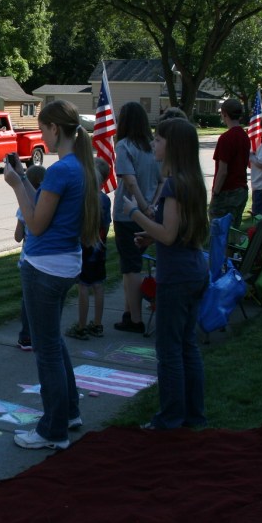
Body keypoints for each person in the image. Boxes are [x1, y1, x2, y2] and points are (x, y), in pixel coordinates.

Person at [4, 99, 100, 450]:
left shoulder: (61, 170)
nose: (40, 134)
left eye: (43, 128)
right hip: (64, 264)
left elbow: (36, 224)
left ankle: (52, 429)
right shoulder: (78, 166)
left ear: (55, 129)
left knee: (45, 351)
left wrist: (15, 184)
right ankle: (69, 412)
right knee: (53, 342)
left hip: (44, 267)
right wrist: (24, 180)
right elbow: (42, 207)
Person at [123, 118, 209, 430]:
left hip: (177, 277)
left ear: (172, 146)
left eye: (158, 140)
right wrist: (152, 236)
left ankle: (170, 417)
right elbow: (179, 230)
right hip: (195, 269)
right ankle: (193, 416)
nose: (154, 145)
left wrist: (134, 213)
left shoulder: (174, 184)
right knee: (187, 345)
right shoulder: (192, 179)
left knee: (169, 351)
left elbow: (170, 235)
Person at [112, 101, 161, 334]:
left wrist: (141, 206)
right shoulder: (152, 147)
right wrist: (152, 206)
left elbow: (129, 181)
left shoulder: (124, 146)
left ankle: (135, 318)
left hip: (128, 214)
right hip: (150, 211)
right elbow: (162, 180)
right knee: (132, 264)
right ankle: (127, 311)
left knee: (131, 267)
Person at [67, 159, 112, 340]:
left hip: (83, 247)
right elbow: (107, 225)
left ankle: (82, 325)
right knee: (98, 285)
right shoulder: (105, 200)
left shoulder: (82, 199)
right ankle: (98, 323)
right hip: (99, 247)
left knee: (83, 286)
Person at [14, 164, 48, 350]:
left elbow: (18, 237)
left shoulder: (24, 207)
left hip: (27, 259)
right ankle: (42, 335)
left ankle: (26, 336)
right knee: (43, 299)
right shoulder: (48, 205)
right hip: (44, 257)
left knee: (28, 300)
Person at [209, 98, 250, 226]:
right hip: (241, 190)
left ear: (225, 113)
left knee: (218, 231)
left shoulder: (226, 138)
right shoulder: (244, 136)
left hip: (227, 192)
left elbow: (222, 171)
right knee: (233, 230)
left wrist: (215, 192)